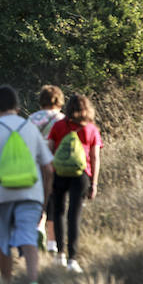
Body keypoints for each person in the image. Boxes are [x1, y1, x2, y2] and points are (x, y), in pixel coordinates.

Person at [0, 85, 54, 284]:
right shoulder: (30, 128)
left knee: (4, 239)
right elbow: (48, 168)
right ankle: (33, 283)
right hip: (31, 193)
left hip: (1, 193)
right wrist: (44, 200)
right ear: (17, 105)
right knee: (28, 236)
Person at [46, 93, 102, 274]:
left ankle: (60, 254)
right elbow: (94, 158)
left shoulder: (58, 126)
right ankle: (72, 259)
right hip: (81, 175)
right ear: (88, 109)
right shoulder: (91, 129)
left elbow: (50, 151)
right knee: (74, 215)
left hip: (59, 174)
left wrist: (49, 176)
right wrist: (94, 183)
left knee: (58, 212)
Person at [27, 85, 66, 255]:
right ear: (58, 100)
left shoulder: (32, 118)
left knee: (38, 201)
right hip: (57, 165)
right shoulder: (62, 119)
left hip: (35, 165)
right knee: (54, 204)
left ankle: (37, 229)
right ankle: (52, 243)